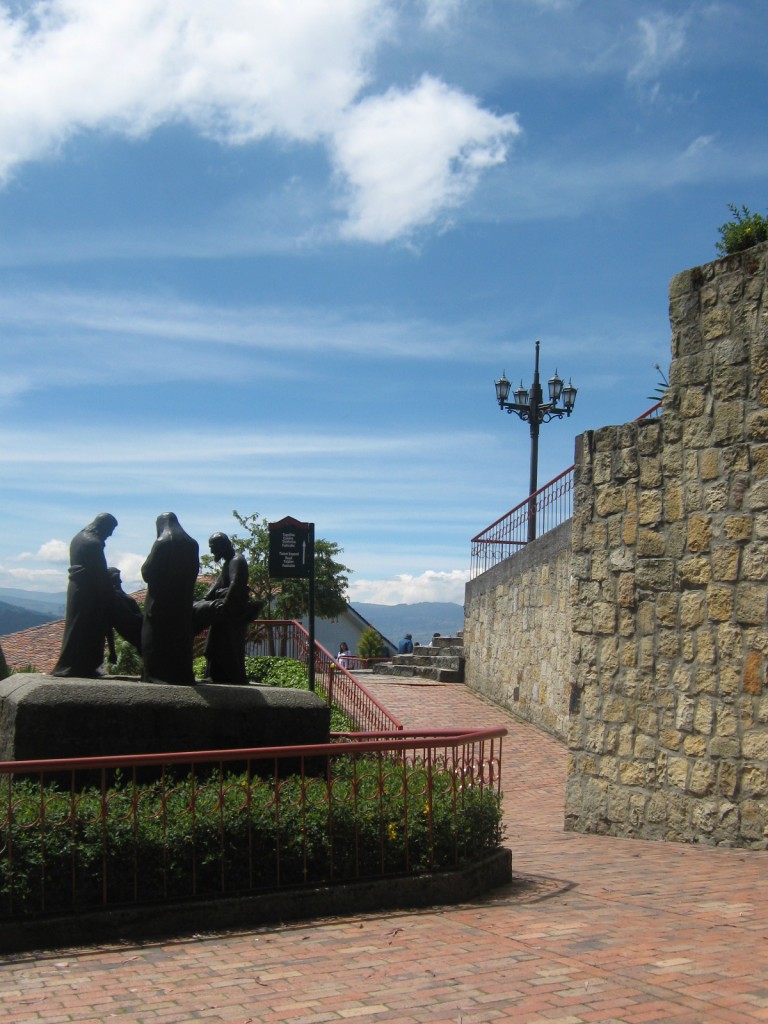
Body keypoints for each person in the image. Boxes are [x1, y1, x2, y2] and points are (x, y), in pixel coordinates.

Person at [53, 513, 118, 678]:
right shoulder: (93, 543)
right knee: (87, 627)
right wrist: (111, 593)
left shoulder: (79, 538)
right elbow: (100, 573)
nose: (110, 534)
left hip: (79, 588)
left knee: (78, 626)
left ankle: (75, 665)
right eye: (110, 530)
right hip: (88, 591)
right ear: (103, 526)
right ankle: (79, 666)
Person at [141, 513, 199, 686]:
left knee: (156, 638)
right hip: (182, 602)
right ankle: (181, 674)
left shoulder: (162, 543)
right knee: (180, 638)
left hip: (160, 603)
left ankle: (156, 675)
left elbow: (147, 572)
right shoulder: (192, 544)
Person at [194, 533, 253, 685]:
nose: (212, 552)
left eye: (213, 548)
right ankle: (215, 675)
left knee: (228, 646)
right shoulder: (228, 562)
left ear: (223, 545)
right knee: (213, 644)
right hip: (224, 610)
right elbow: (218, 584)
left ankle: (232, 676)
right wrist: (205, 599)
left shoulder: (237, 560)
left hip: (231, 612)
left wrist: (226, 602)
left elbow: (235, 583)